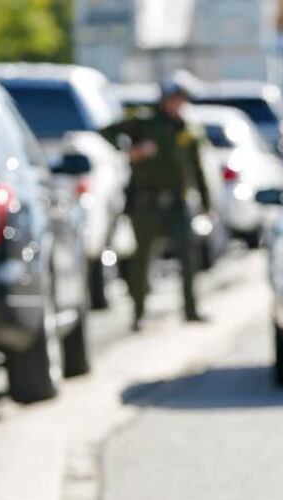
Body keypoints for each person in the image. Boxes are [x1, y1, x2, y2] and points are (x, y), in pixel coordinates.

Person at [100, 71, 212, 330]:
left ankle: (190, 310)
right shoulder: (144, 122)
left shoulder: (187, 130)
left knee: (187, 255)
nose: (178, 104)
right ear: (164, 99)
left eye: (182, 100)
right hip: (146, 204)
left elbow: (196, 170)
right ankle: (137, 314)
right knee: (142, 260)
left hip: (176, 203)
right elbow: (106, 133)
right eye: (175, 99)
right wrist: (132, 151)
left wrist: (206, 205)